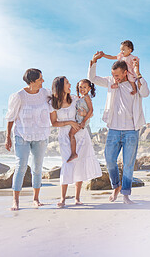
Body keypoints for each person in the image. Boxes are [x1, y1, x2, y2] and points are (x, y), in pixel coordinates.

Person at [88, 51, 150, 204]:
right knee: (109, 159)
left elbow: (146, 93)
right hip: (114, 129)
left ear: (125, 72)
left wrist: (138, 72)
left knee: (128, 164)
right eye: (113, 75)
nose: (115, 77)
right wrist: (94, 61)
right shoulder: (110, 82)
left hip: (131, 130)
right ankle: (116, 185)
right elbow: (92, 79)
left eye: (117, 75)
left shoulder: (135, 82)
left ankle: (126, 195)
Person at [49, 76, 102, 208]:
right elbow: (54, 123)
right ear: (60, 86)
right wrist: (69, 122)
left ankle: (77, 198)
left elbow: (88, 111)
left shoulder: (74, 98)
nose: (70, 84)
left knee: (79, 164)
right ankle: (63, 198)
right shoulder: (53, 104)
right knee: (67, 164)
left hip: (81, 135)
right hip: (65, 136)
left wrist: (83, 116)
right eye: (67, 83)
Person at [5, 68, 51, 211]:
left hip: (41, 136)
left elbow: (58, 101)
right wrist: (7, 137)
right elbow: (11, 117)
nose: (43, 81)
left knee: (37, 168)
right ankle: (15, 201)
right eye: (40, 79)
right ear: (31, 81)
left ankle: (36, 199)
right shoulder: (19, 96)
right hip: (22, 135)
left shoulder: (45, 93)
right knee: (21, 167)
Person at [67, 79, 96, 163]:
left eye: (84, 87)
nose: (82, 89)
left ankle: (74, 153)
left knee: (71, 134)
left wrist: (84, 121)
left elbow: (91, 110)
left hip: (82, 121)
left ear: (89, 89)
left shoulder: (87, 97)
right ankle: (74, 152)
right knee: (72, 134)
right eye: (80, 87)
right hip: (79, 120)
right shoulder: (81, 98)